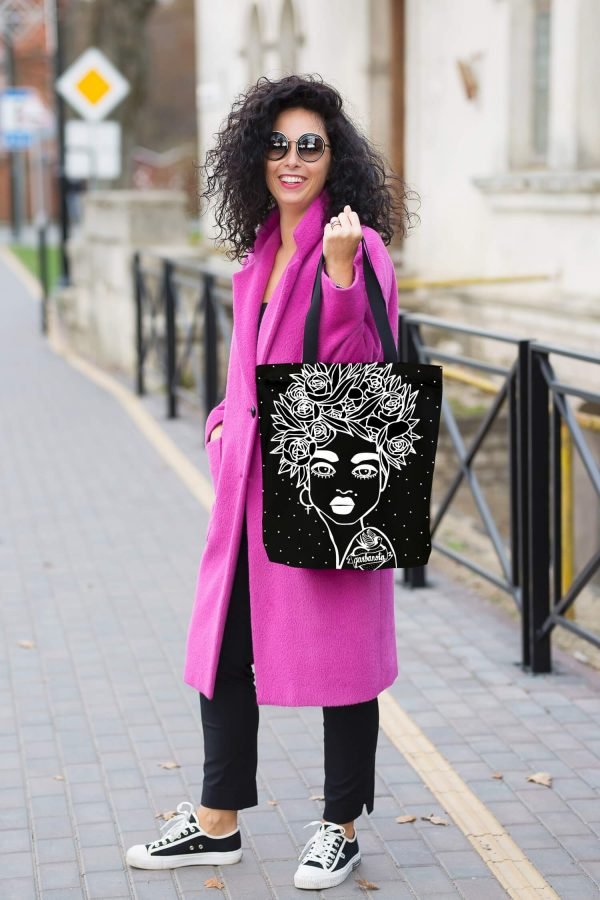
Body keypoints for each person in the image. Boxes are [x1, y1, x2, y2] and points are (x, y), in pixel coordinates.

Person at [126, 73, 414, 891]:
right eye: (279, 144)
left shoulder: (357, 246)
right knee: (221, 649)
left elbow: (357, 377)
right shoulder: (258, 246)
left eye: (310, 146)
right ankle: (217, 823)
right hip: (247, 487)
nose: (293, 160)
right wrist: (222, 422)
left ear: (335, 158)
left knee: (345, 659)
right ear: (257, 154)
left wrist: (343, 277)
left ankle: (340, 824)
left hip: (330, 485)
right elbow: (248, 366)